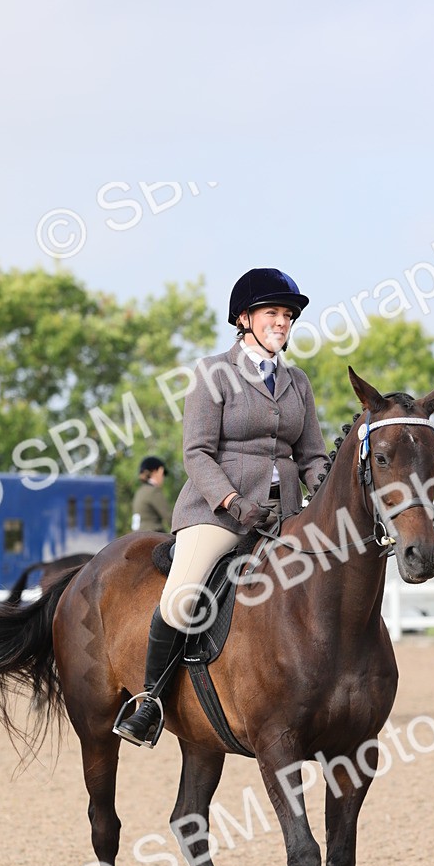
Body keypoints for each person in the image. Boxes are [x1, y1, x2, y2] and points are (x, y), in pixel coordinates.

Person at [114, 267, 330, 747]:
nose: (282, 322)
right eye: (272, 313)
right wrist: (234, 501)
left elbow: (312, 456)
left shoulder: (298, 383)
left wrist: (324, 495)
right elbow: (196, 453)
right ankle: (149, 701)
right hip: (219, 513)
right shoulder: (214, 373)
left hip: (287, 515)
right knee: (183, 597)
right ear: (244, 318)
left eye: (288, 316)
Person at [131, 456, 173, 533]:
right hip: (152, 533)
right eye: (162, 474)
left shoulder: (139, 491)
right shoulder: (153, 491)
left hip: (136, 534)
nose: (163, 478)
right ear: (157, 471)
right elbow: (169, 517)